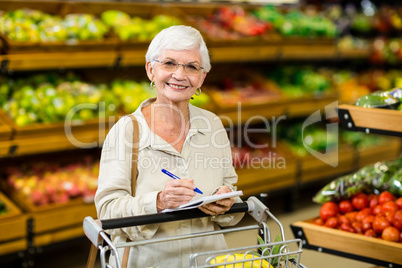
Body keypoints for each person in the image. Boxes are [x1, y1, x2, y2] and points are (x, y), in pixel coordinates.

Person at [95, 25, 244, 268]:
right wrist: (159, 201)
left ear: (202, 77)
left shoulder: (213, 125)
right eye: (169, 63)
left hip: (209, 261)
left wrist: (226, 204)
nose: (180, 74)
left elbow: (232, 200)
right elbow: (107, 210)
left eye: (192, 67)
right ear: (150, 70)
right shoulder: (126, 131)